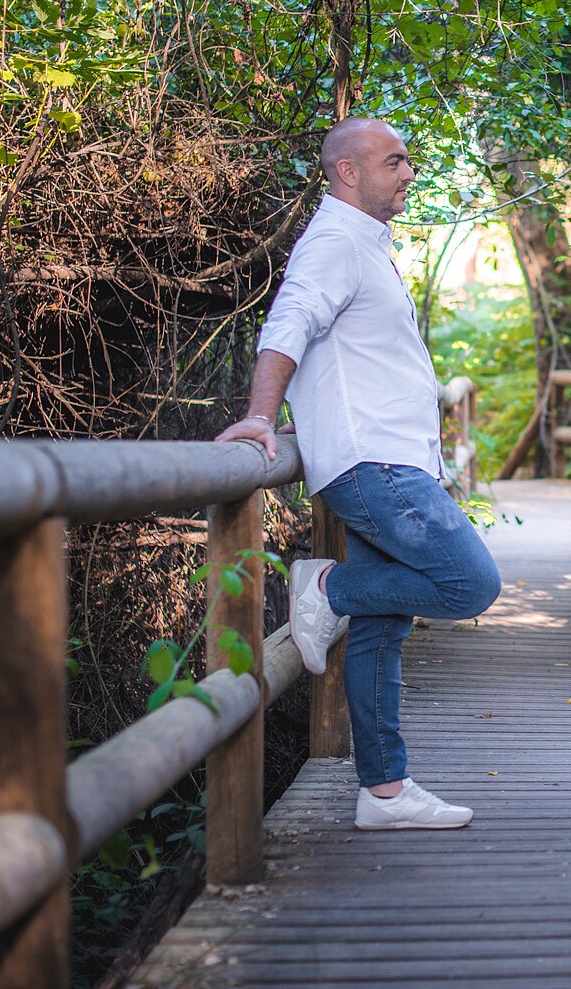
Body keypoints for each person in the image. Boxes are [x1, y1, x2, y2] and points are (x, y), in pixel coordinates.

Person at [216, 117, 501, 830]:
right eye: (395, 161)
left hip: (390, 458)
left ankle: (385, 791)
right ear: (348, 171)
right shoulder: (336, 243)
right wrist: (261, 413)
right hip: (378, 465)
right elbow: (290, 320)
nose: (409, 172)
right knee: (471, 581)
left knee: (382, 625)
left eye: (409, 159)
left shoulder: (365, 245)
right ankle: (328, 584)